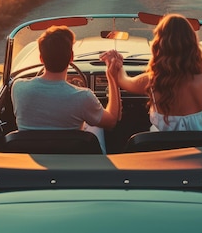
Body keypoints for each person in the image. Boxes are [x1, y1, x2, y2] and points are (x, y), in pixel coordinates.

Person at [11, 25, 121, 153]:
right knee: (95, 124)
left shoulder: (18, 87)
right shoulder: (83, 96)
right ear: (71, 57)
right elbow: (111, 121)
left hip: (34, 164)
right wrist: (112, 78)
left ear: (41, 58)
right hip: (73, 163)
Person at [100, 13, 202, 131]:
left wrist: (117, 62)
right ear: (192, 44)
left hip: (160, 148)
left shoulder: (152, 81)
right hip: (201, 147)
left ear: (160, 45)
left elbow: (122, 81)